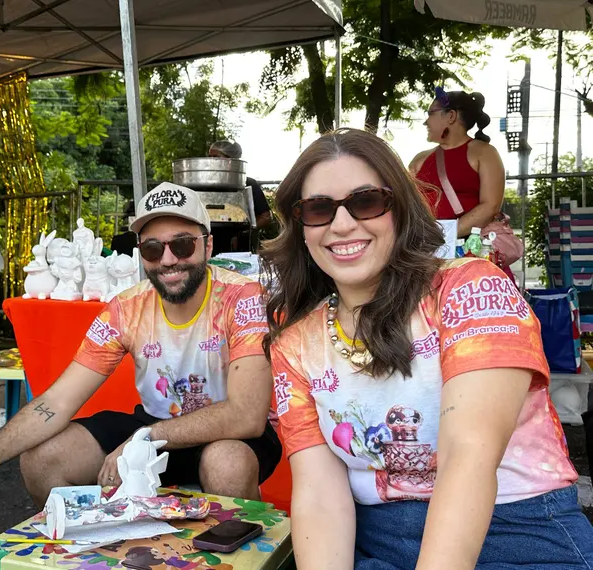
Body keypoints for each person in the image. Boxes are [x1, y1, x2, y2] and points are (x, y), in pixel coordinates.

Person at [263, 128, 593, 569]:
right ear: (300, 226)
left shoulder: (471, 289)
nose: (342, 224)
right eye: (319, 209)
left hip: (516, 534)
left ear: (399, 210)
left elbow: (468, 459)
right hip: (374, 540)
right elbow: (321, 494)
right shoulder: (294, 342)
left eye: (366, 201)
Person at [0, 182, 281, 507]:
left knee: (226, 463)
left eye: (183, 244)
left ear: (207, 245)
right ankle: (98, 547)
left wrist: (146, 436)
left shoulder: (242, 296)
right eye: (152, 248)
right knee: (42, 460)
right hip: (154, 427)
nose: (168, 259)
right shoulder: (126, 308)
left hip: (228, 436)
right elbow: (57, 401)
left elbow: (246, 416)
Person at [409, 88, 505, 238]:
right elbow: (407, 206)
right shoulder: (419, 160)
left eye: (431, 114)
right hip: (424, 249)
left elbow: (490, 206)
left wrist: (444, 236)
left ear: (451, 116)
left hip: (470, 249)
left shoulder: (485, 153)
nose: (425, 122)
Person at [208, 140, 273, 253]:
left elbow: (266, 216)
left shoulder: (248, 184)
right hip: (211, 247)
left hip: (241, 249)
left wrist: (246, 232)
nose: (211, 161)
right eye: (210, 157)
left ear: (230, 160)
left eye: (216, 157)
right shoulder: (206, 185)